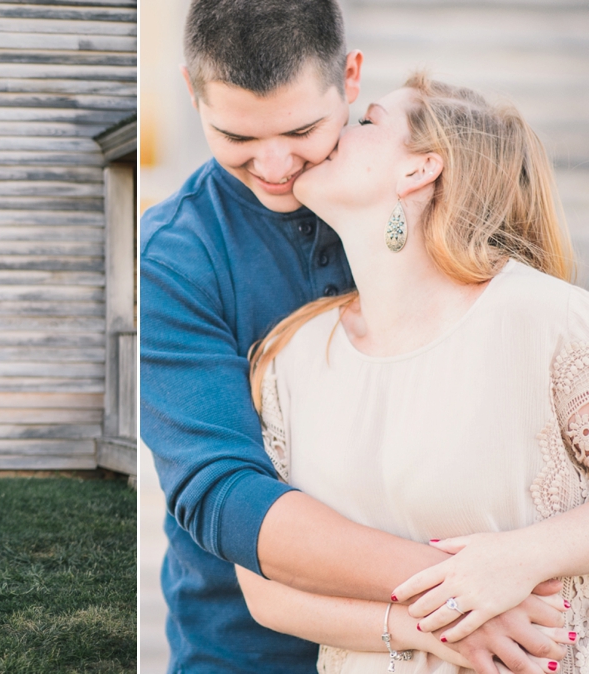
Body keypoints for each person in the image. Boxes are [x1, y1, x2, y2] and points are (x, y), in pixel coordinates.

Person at [140, 1, 565, 672]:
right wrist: (455, 599)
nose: (276, 165)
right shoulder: (177, 262)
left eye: (304, 128)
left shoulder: (445, 239)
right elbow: (222, 493)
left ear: (351, 76)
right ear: (191, 92)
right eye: (237, 138)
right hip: (250, 651)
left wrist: (505, 572)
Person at [240, 73, 588, 673]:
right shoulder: (291, 355)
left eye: (367, 121)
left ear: (418, 170)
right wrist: (420, 627)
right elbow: (263, 589)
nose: (334, 133)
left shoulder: (549, 319)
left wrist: (518, 557)